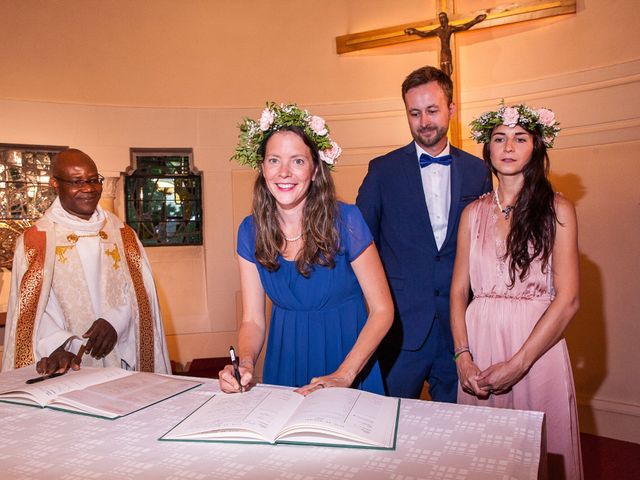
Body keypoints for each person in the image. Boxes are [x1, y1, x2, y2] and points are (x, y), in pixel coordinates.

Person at [219, 103, 393, 395]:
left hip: (348, 362)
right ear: (262, 169)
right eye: (274, 160)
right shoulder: (249, 232)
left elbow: (382, 309)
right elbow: (252, 319)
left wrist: (345, 374)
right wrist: (245, 363)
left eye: (297, 161)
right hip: (284, 362)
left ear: (314, 171)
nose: (284, 172)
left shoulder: (347, 221)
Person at [451, 104, 582, 479]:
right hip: (480, 345)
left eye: (520, 139)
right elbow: (459, 291)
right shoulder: (471, 214)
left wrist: (520, 362)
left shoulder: (558, 210)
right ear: (487, 150)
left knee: (540, 457)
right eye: (499, 138)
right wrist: (462, 356)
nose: (508, 146)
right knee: (482, 457)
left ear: (536, 148)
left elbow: (569, 298)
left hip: (536, 349)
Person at [356, 66, 492, 401]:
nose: (424, 121)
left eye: (432, 110)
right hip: (399, 330)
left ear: (451, 109)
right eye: (414, 113)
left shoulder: (478, 171)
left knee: (460, 432)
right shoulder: (382, 170)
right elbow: (360, 247)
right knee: (389, 428)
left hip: (461, 332)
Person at [2, 148, 170, 375]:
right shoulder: (36, 240)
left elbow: (141, 294)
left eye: (93, 180)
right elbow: (32, 312)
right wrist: (58, 345)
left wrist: (115, 322)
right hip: (65, 364)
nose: (88, 189)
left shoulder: (122, 234)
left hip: (119, 358)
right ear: (55, 184)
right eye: (77, 182)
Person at [405, 12, 487, 76]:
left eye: (443, 17)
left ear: (446, 19)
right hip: (443, 54)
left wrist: (475, 20)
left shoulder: (450, 28)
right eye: (440, 18)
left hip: (447, 53)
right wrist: (414, 31)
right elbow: (425, 34)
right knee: (443, 72)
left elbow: (464, 27)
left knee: (448, 72)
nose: (442, 20)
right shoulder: (438, 30)